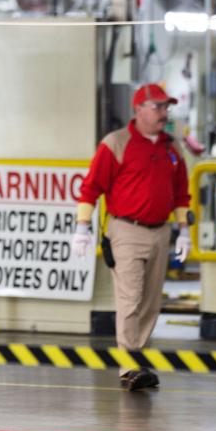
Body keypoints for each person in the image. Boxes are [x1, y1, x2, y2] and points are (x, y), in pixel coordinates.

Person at [72, 83, 191, 391]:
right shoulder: (116, 144)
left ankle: (138, 358)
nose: (165, 113)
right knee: (130, 298)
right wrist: (82, 228)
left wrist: (184, 231)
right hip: (126, 230)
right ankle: (129, 366)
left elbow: (181, 193)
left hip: (160, 231)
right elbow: (91, 188)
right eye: (159, 107)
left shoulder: (172, 147)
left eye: (167, 107)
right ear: (139, 109)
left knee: (151, 301)